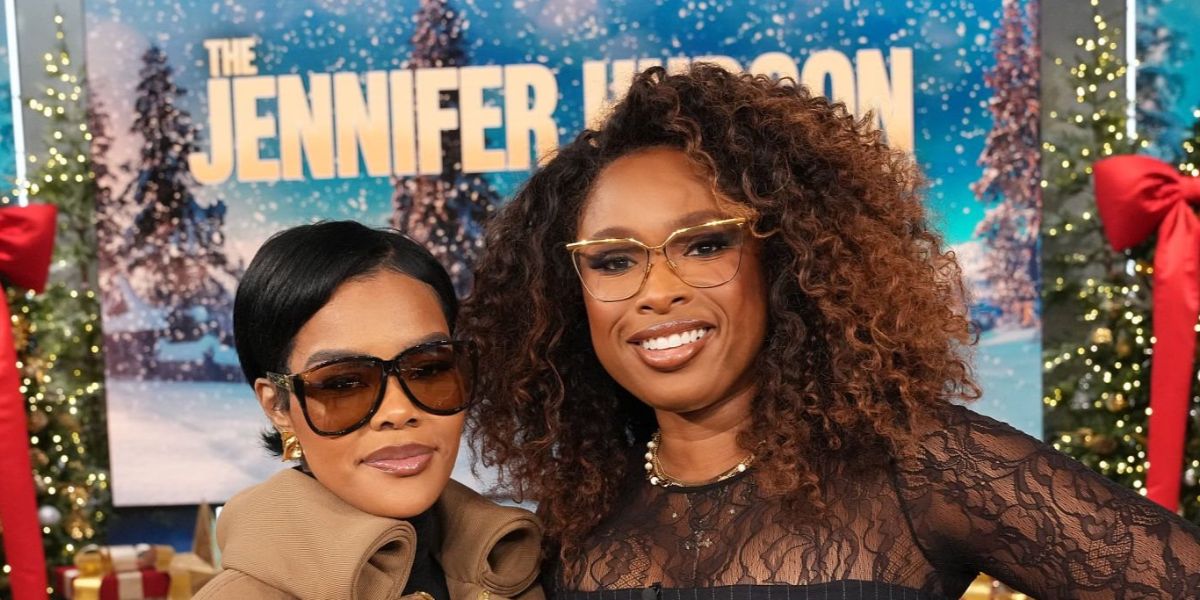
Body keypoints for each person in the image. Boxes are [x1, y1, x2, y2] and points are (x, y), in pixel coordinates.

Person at [462, 65, 1200, 599]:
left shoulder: (918, 466)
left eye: (706, 244)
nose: (658, 291)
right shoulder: (576, 519)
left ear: (784, 260)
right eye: (614, 260)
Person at [196, 221, 543, 600]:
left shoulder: (517, 566)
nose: (398, 410)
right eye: (343, 383)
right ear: (278, 406)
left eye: (429, 369)